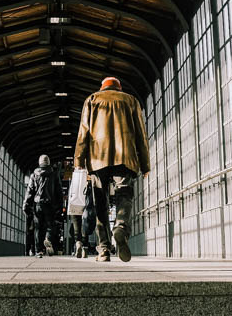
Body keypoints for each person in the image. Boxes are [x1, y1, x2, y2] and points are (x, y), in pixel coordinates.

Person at [73, 76, 150, 262]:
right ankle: (121, 227)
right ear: (119, 88)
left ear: (102, 87)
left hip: (98, 159)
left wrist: (79, 161)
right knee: (124, 195)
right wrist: (145, 164)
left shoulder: (92, 100)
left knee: (100, 203)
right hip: (125, 157)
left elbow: (83, 131)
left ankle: (104, 249)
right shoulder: (130, 100)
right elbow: (141, 134)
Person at [23, 154, 63, 258]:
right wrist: (60, 207)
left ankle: (39, 251)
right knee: (51, 225)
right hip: (50, 204)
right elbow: (59, 192)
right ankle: (48, 239)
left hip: (37, 204)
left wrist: (26, 205)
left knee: (38, 228)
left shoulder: (34, 175)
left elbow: (30, 191)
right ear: (48, 163)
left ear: (39, 163)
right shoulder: (54, 175)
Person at [69, 174, 96, 258]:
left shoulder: (75, 176)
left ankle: (78, 245)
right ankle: (84, 249)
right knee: (85, 228)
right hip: (87, 204)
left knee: (76, 230)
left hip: (74, 202)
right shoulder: (90, 176)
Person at [23, 175, 35, 256]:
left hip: (30, 213)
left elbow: (27, 200)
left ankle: (27, 251)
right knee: (34, 233)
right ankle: (34, 250)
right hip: (35, 213)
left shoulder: (29, 192)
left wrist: (25, 207)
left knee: (28, 234)